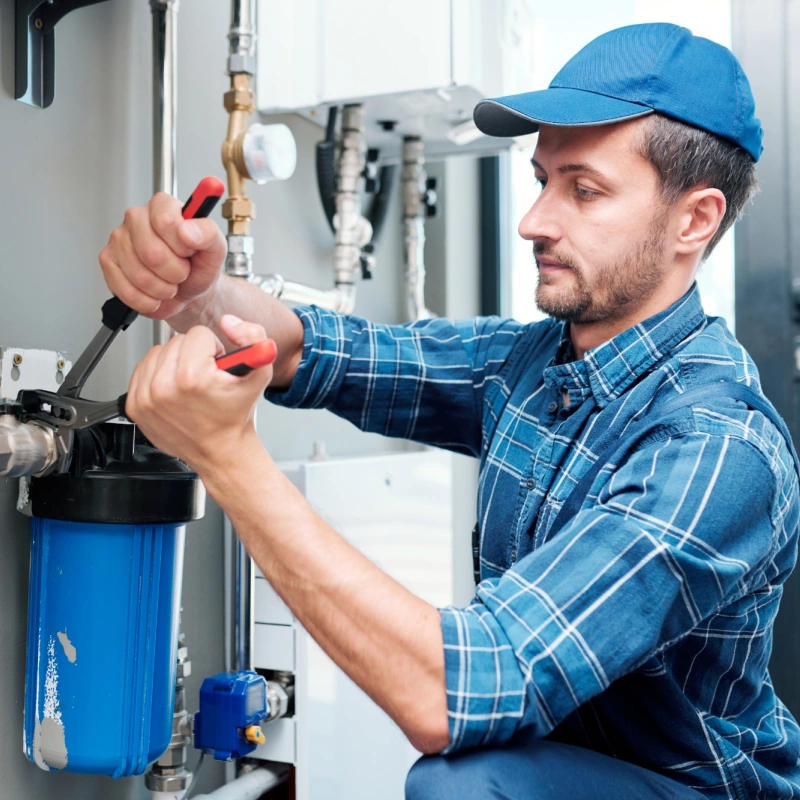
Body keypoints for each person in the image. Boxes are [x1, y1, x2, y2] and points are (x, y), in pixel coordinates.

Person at [98, 23, 800, 800]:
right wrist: (198, 293)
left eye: (584, 189)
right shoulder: (533, 364)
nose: (536, 220)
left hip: (690, 790)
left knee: (462, 783)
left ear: (693, 220)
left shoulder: (717, 446)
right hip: (562, 764)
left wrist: (229, 460)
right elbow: (319, 349)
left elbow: (458, 691)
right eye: (541, 182)